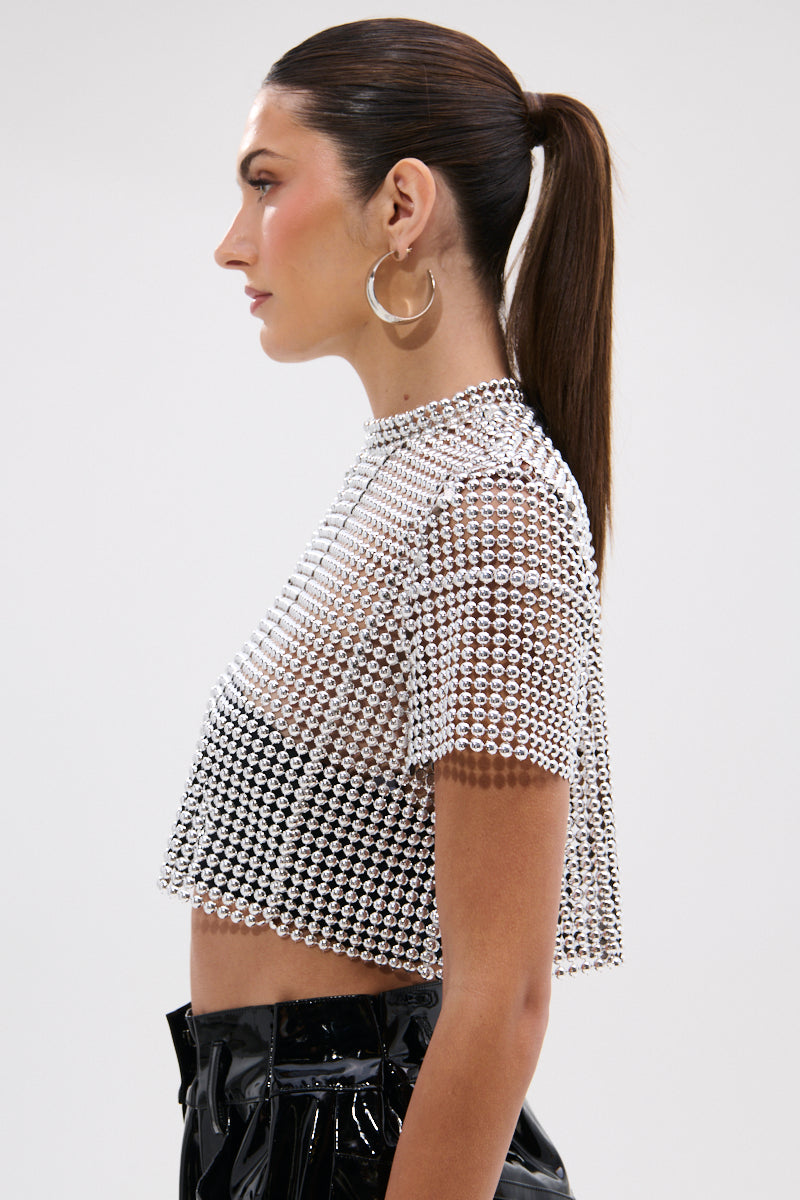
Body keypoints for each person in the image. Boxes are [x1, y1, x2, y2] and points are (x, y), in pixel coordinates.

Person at [160, 16, 622, 1200]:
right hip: (279, 1124)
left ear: (401, 206)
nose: (231, 243)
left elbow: (502, 995)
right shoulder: (412, 469)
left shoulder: (491, 498)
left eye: (266, 184)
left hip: (349, 1144)